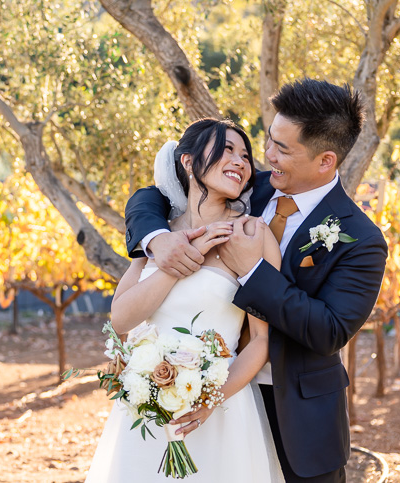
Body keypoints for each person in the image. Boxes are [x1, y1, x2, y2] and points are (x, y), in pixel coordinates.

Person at [124, 79, 389, 483]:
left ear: (325, 161)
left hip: (298, 418)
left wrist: (252, 271)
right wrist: (156, 239)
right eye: (269, 141)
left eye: (283, 149)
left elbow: (328, 331)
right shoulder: (250, 187)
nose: (267, 156)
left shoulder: (363, 239)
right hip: (211, 397)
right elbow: (153, 196)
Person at [86, 118, 285, 483]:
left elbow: (260, 341)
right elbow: (121, 320)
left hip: (220, 411)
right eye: (227, 149)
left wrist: (210, 400)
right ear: (189, 161)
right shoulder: (158, 236)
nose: (240, 161)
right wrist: (178, 260)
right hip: (147, 411)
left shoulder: (253, 235)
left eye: (245, 155)